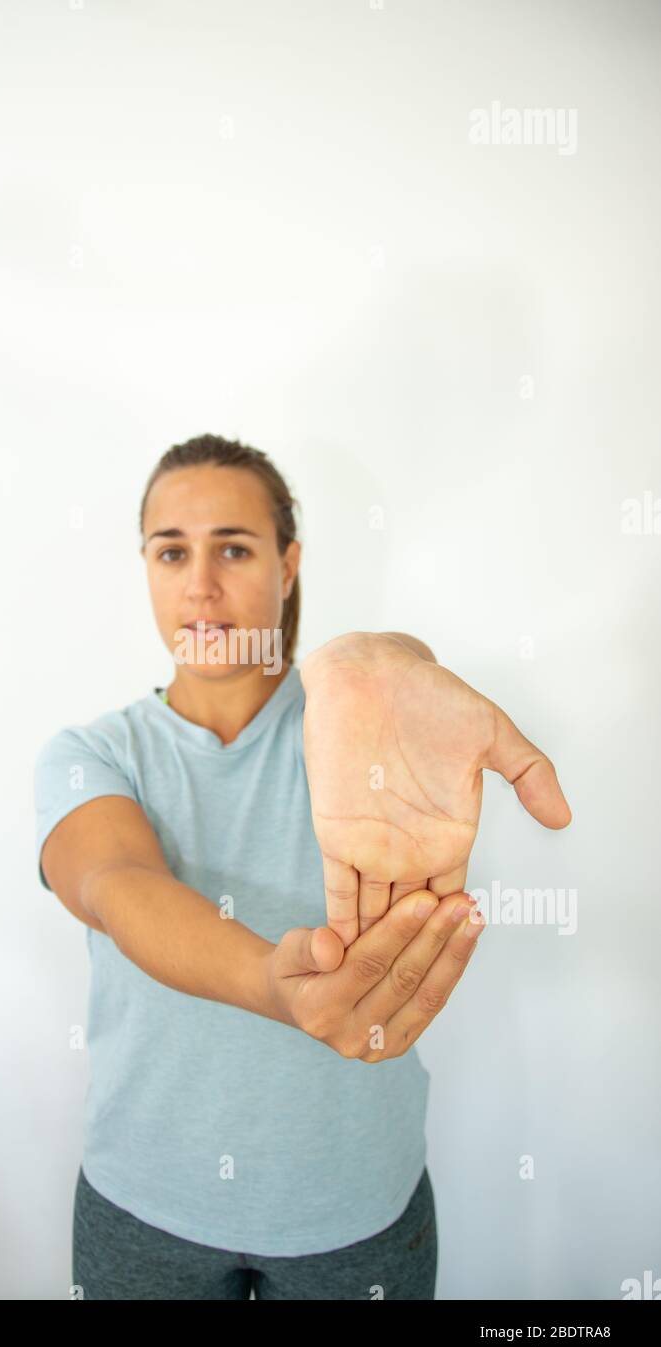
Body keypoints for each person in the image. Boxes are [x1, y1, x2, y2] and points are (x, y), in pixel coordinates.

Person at [33, 433, 484, 1300]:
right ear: (148, 570)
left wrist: (401, 670)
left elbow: (395, 694)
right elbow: (117, 888)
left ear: (288, 566)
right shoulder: (91, 753)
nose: (200, 583)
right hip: (146, 1204)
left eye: (233, 548)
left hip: (353, 1207)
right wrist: (278, 987)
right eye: (172, 552)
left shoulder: (359, 740)